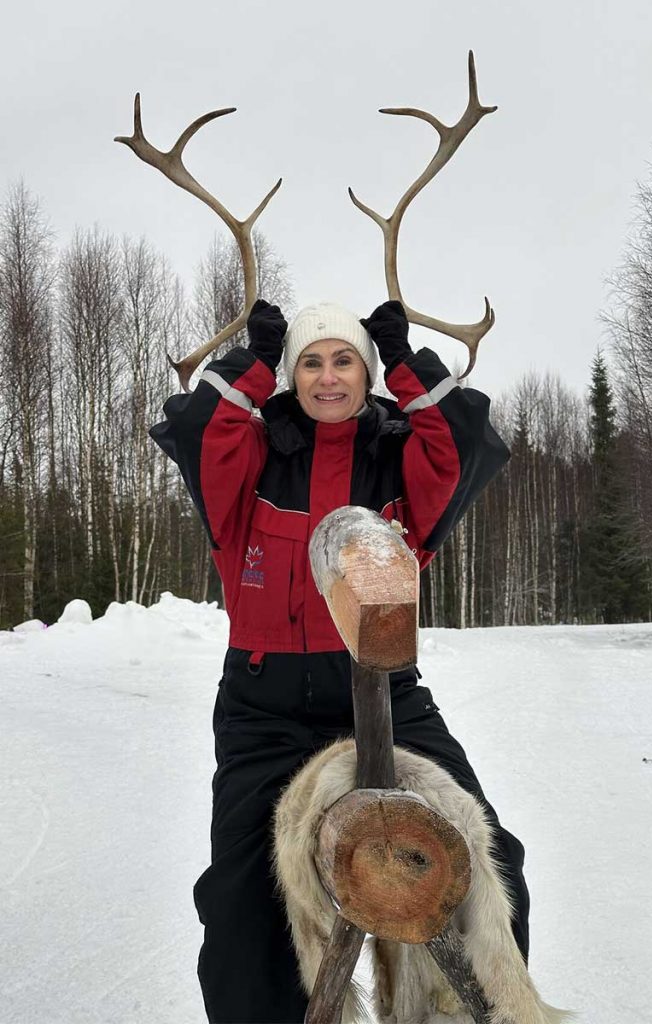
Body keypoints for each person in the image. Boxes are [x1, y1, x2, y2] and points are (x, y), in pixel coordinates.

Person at [150, 298, 528, 1024]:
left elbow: (467, 440)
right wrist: (253, 362)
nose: (327, 378)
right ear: (291, 377)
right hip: (264, 709)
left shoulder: (399, 459)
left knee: (487, 861)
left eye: (345, 359)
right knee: (241, 898)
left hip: (388, 697)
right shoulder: (250, 463)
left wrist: (408, 358)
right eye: (310, 362)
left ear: (366, 371)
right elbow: (199, 431)